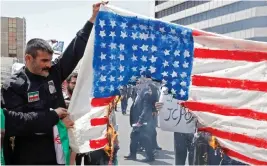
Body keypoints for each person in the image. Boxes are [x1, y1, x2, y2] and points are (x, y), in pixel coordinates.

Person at [0, 2, 104, 164]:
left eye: (50, 60)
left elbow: (74, 51)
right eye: (44, 61)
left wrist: (92, 19)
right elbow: (15, 122)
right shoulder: (13, 85)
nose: (49, 64)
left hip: (59, 150)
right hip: (30, 155)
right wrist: (53, 116)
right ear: (28, 58)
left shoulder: (53, 73)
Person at [124, 81, 155, 162]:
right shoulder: (139, 93)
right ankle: (132, 154)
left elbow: (146, 108)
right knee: (134, 136)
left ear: (144, 84)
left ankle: (150, 157)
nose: (137, 85)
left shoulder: (146, 94)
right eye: (137, 83)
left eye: (139, 83)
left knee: (144, 138)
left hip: (142, 121)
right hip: (138, 120)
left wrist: (140, 120)